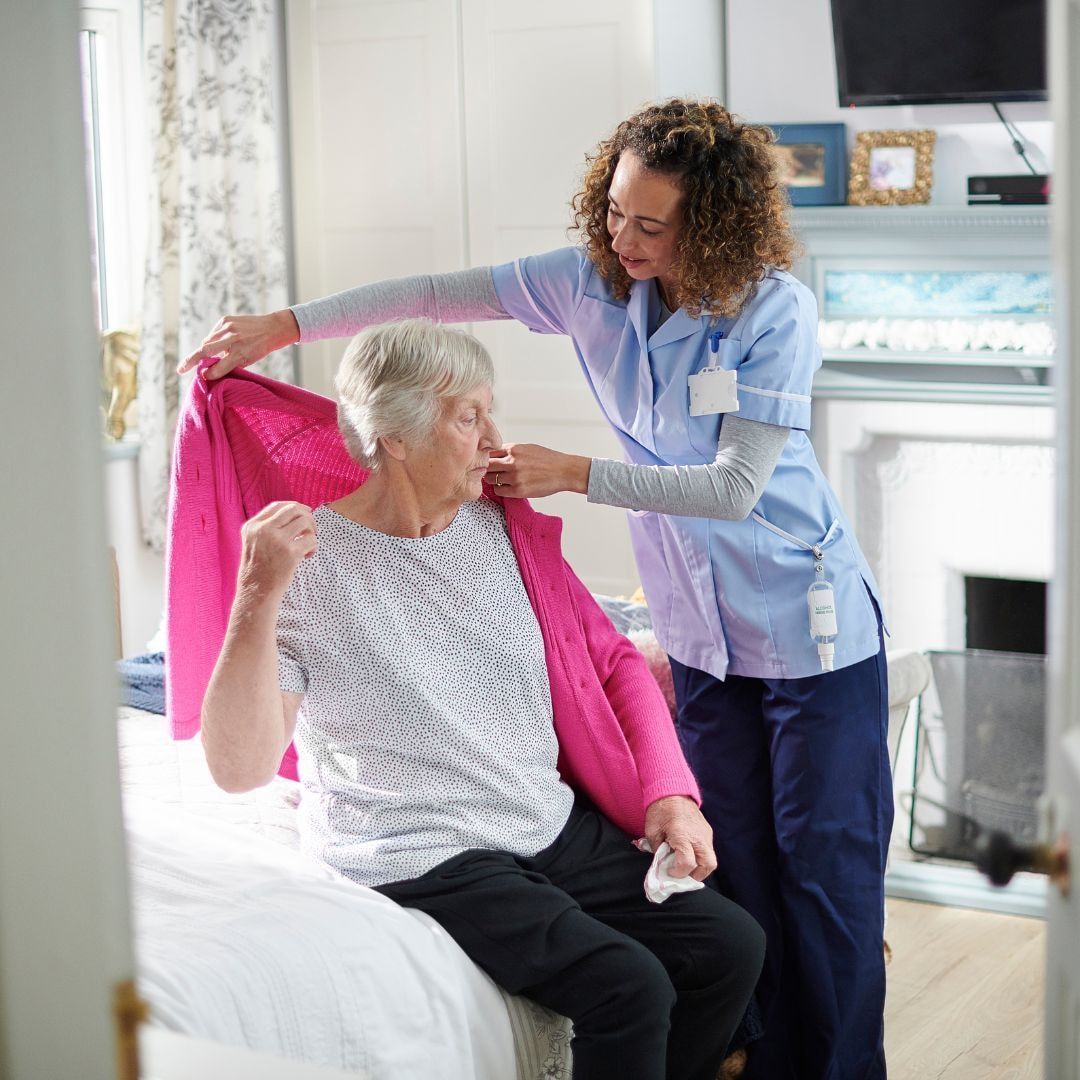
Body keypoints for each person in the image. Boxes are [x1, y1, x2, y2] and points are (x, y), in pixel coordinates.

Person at [185, 99, 891, 1080]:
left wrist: (575, 472)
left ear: (713, 222)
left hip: (807, 627)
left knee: (827, 882)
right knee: (743, 882)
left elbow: (734, 489)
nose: (623, 238)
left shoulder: (773, 313)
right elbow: (431, 294)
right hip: (698, 635)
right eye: (613, 212)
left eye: (653, 224)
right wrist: (285, 325)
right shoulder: (588, 285)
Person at [200, 318, 764, 1080]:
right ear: (395, 436)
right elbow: (239, 769)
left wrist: (671, 791)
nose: (495, 436)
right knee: (627, 987)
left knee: (729, 945)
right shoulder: (311, 566)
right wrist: (256, 592)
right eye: (469, 417)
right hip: (419, 845)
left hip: (535, 818)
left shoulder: (503, 527)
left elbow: (613, 662)